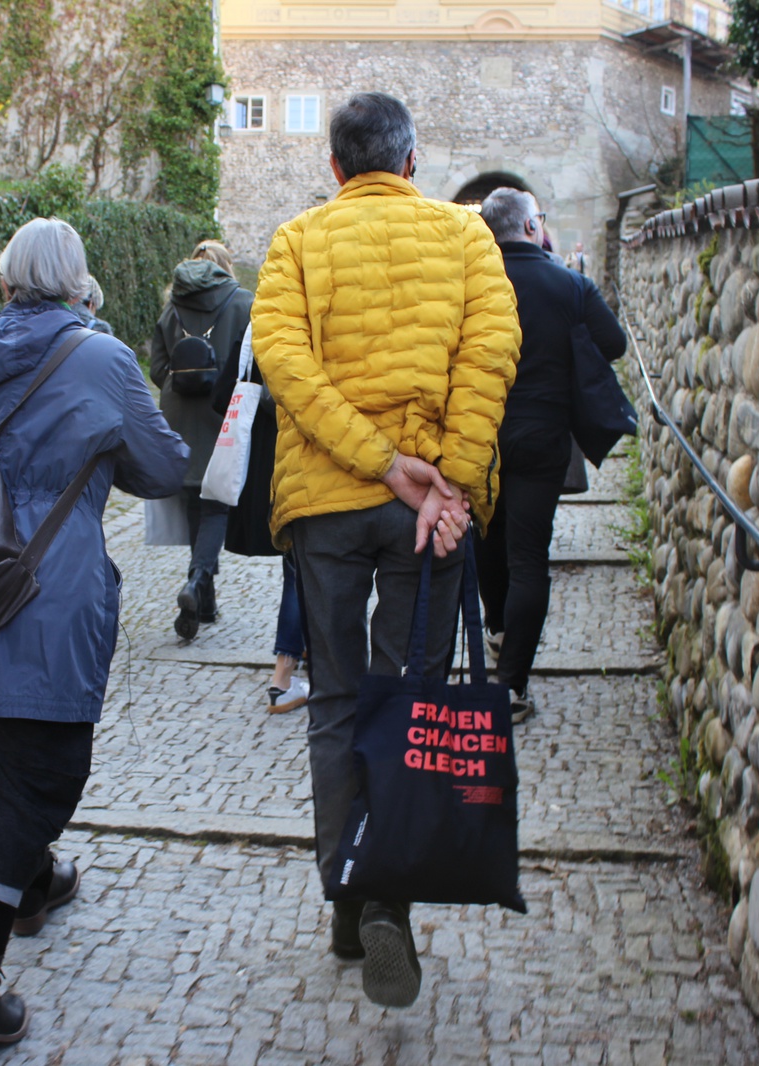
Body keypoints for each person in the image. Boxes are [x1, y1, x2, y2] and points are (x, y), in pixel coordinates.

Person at [250, 91, 520, 1007]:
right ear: (411, 163)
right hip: (426, 510)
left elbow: (286, 367)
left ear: (335, 168)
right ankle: (386, 905)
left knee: (334, 702)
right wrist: (449, 485)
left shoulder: (296, 242)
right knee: (410, 697)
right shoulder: (468, 235)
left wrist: (376, 461)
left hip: (327, 502)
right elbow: (490, 358)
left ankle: (345, 896)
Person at [0, 218, 188, 1055]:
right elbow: (164, 467)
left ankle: (33, 882)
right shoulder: (102, 358)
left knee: (1, 761)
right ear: (79, 283)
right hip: (49, 594)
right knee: (37, 774)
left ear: (5, 282)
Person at [474, 187, 627, 722]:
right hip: (543, 434)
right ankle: (511, 686)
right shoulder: (568, 283)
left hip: (481, 434)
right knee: (529, 558)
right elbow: (614, 344)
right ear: (531, 226)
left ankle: (497, 629)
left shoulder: (471, 281)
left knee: (487, 541)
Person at [148, 239, 253, 641]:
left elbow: (157, 367)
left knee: (196, 502)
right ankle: (196, 582)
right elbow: (253, 362)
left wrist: (181, 385)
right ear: (226, 265)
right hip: (222, 414)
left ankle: (204, 603)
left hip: (178, 417)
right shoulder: (242, 303)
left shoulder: (172, 305)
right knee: (215, 506)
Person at [212, 324, 309, 714]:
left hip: (264, 467)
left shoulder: (259, 324)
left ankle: (287, 672)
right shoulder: (320, 318)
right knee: (305, 566)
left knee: (297, 566)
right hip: (308, 461)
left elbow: (221, 395)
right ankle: (286, 676)